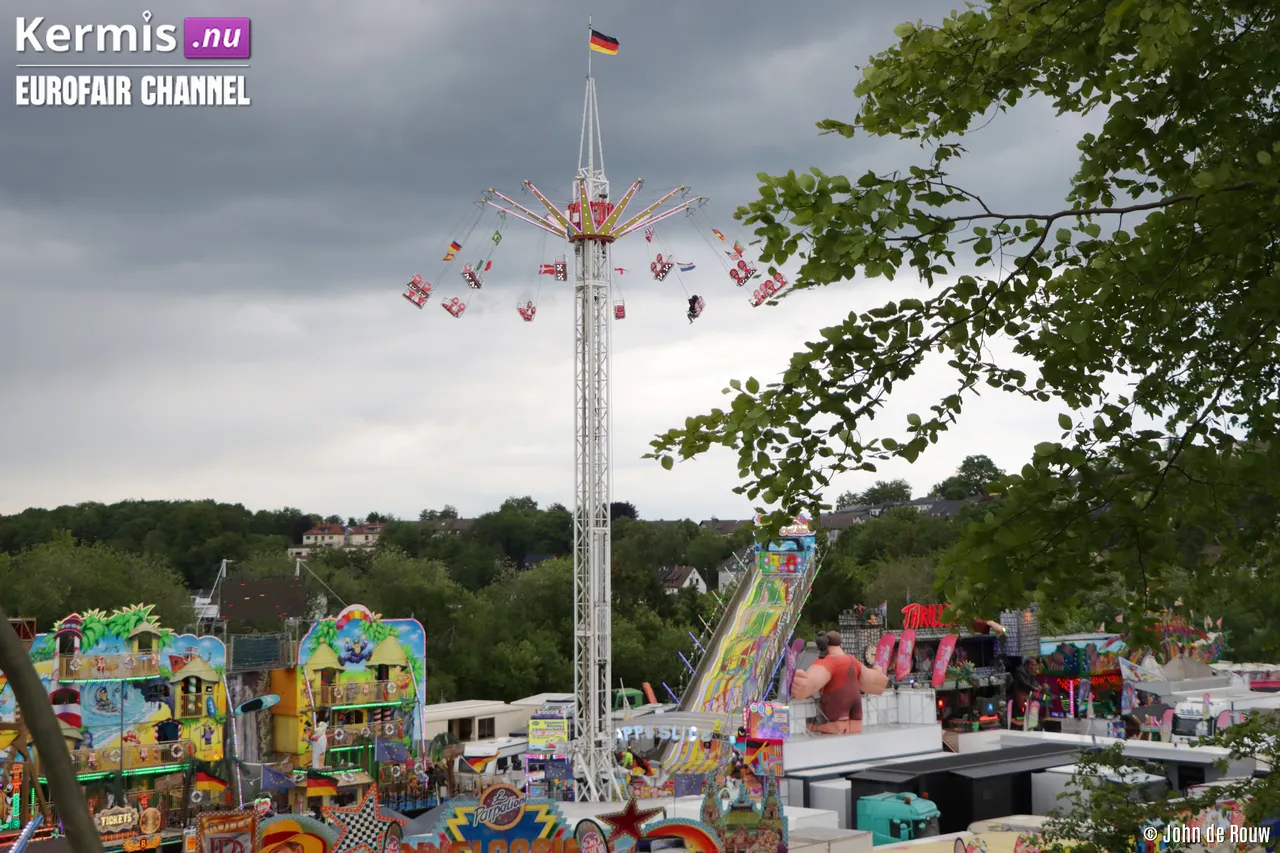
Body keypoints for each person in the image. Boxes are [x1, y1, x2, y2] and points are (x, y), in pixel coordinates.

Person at [791, 631, 889, 735]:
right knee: (855, 727)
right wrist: (878, 671)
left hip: (838, 710)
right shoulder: (852, 660)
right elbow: (876, 683)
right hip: (856, 714)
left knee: (840, 727)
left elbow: (807, 685)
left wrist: (796, 683)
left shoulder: (828, 661)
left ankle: (815, 727)